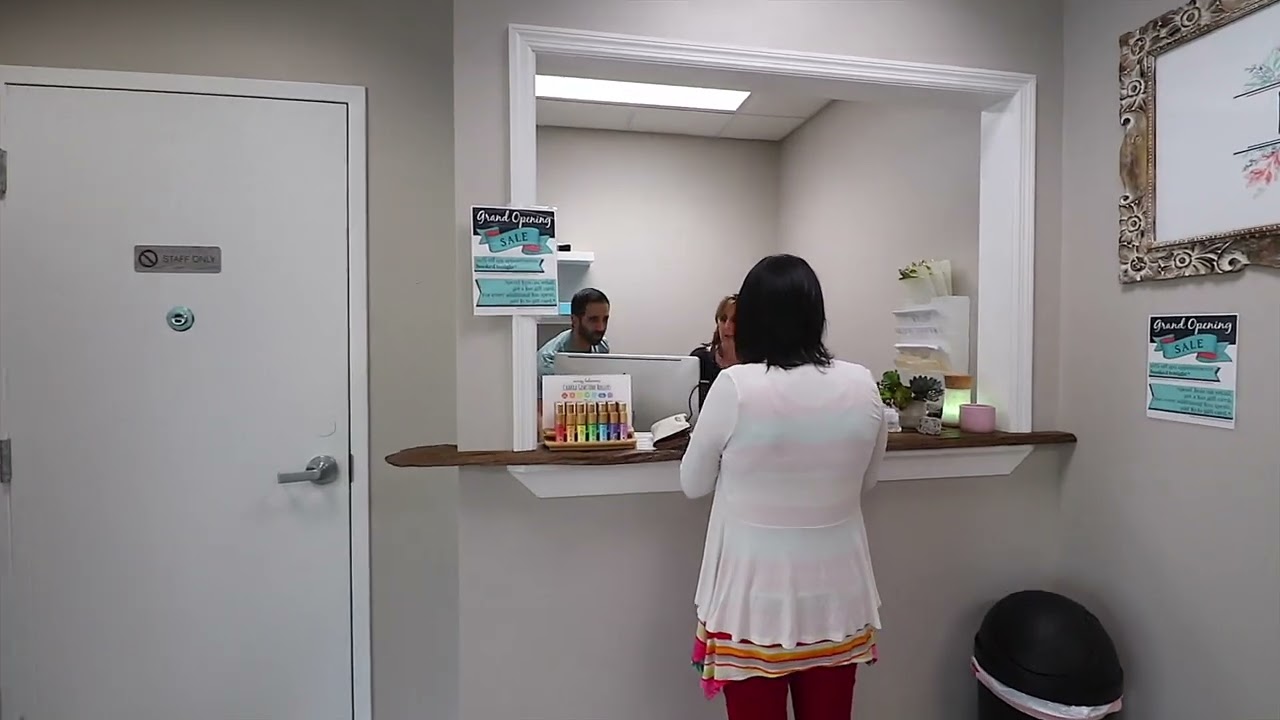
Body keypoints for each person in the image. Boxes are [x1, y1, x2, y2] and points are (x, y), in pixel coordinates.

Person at [679, 255, 888, 720]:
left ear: (749, 318)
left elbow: (692, 483)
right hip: (838, 599)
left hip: (753, 602)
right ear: (816, 316)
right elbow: (867, 481)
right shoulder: (862, 382)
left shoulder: (735, 386)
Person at [538, 287, 611, 380]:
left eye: (605, 319)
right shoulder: (549, 360)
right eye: (593, 320)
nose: (601, 327)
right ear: (574, 320)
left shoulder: (602, 346)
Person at [690, 295, 737, 407]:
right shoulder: (700, 359)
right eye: (723, 319)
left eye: (735, 321)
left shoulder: (757, 365)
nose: (727, 326)